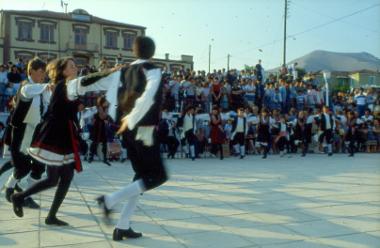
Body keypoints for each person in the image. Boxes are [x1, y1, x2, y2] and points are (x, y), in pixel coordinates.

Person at [11, 57, 120, 225]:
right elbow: (88, 81)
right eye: (72, 66)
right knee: (53, 179)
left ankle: (50, 215)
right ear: (63, 71)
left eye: (75, 65)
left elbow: (88, 89)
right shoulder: (67, 85)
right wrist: (109, 72)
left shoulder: (68, 87)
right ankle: (20, 197)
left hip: (64, 134)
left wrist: (111, 80)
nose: (76, 68)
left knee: (66, 177)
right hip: (55, 134)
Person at [97, 36, 168, 241]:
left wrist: (117, 117)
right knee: (157, 176)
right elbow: (148, 96)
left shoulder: (124, 70)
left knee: (140, 176)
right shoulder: (153, 69)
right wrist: (132, 118)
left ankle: (122, 225)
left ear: (133, 51)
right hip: (142, 128)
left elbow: (111, 95)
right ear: (152, 52)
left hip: (127, 128)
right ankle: (109, 200)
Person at [3, 58, 49, 208]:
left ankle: (26, 194)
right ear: (32, 71)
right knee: (23, 167)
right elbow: (28, 92)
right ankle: (10, 188)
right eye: (41, 72)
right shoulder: (26, 86)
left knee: (39, 166)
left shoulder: (41, 89)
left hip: (37, 133)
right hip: (22, 133)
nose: (44, 75)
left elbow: (47, 105)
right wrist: (48, 86)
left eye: (45, 72)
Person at [88, 96, 113, 166]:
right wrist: (106, 112)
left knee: (104, 143)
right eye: (106, 102)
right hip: (98, 126)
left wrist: (107, 112)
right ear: (103, 102)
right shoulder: (100, 107)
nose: (107, 103)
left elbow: (106, 117)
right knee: (95, 142)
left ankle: (104, 158)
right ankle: (91, 157)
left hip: (102, 126)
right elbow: (102, 116)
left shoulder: (105, 108)